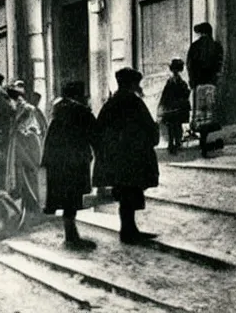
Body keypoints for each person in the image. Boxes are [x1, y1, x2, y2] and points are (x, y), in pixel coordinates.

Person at [93, 68, 159, 245]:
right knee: (130, 194)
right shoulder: (134, 102)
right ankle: (128, 232)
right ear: (131, 84)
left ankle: (129, 230)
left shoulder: (110, 104)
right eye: (136, 83)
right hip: (133, 159)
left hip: (116, 160)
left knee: (125, 195)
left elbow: (98, 131)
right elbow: (148, 127)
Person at [41, 81, 97, 249]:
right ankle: (72, 238)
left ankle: (70, 234)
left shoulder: (57, 111)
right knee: (72, 198)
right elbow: (95, 133)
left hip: (57, 164)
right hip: (74, 163)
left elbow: (50, 139)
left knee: (66, 198)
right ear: (78, 95)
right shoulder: (81, 111)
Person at [186, 22, 224, 157]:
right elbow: (219, 65)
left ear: (201, 33)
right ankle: (208, 143)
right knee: (210, 115)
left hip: (199, 86)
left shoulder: (194, 47)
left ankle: (203, 143)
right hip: (211, 85)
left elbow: (189, 66)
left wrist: (192, 82)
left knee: (200, 116)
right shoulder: (216, 46)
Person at [5, 84, 43, 215]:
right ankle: (29, 206)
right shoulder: (20, 109)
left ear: (14, 100)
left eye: (9, 102)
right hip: (24, 144)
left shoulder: (26, 110)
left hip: (29, 145)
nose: (9, 105)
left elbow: (31, 129)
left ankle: (33, 207)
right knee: (24, 176)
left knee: (29, 174)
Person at [157, 59, 191, 155]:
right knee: (174, 125)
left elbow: (165, 94)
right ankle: (174, 142)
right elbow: (185, 93)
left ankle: (175, 142)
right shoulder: (177, 82)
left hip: (173, 107)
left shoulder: (174, 82)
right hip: (176, 107)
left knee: (173, 125)